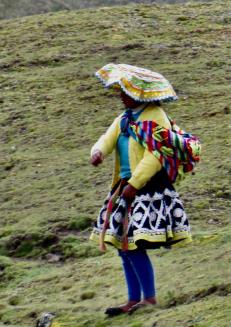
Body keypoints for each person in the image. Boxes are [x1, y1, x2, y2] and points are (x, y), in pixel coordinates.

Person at [89, 64, 192, 316]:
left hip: (147, 188)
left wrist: (135, 184)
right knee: (123, 245)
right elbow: (109, 137)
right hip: (124, 186)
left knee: (133, 245)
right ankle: (133, 298)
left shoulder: (155, 116)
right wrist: (98, 152)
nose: (120, 95)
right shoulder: (125, 117)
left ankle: (149, 298)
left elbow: (156, 153)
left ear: (138, 94)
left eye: (124, 91)